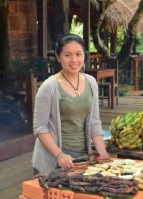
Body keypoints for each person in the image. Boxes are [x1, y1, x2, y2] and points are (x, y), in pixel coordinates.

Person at [32, 34, 110, 176]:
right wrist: (59, 155)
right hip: (55, 157)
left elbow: (94, 120)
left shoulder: (91, 82)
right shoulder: (49, 86)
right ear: (58, 56)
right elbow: (40, 127)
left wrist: (102, 152)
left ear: (84, 56)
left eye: (78, 54)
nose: (74, 60)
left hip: (82, 155)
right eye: (67, 55)